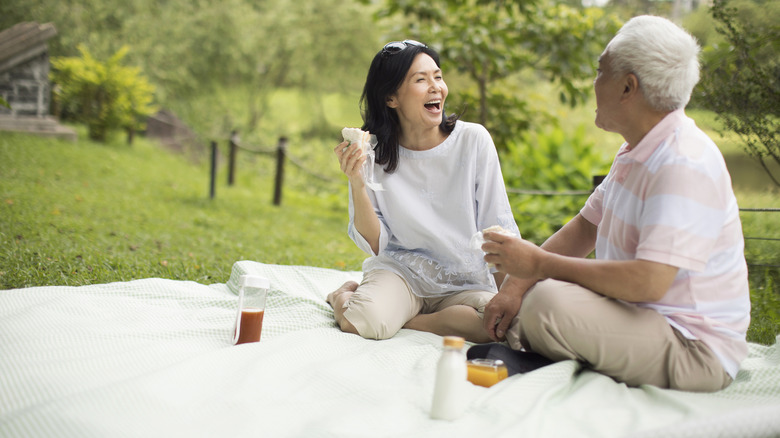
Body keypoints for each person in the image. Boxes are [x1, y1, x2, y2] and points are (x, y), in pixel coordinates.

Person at [480, 16, 750, 392]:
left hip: (694, 348)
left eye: (599, 71)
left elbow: (649, 283)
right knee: (528, 294)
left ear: (627, 87)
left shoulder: (682, 163)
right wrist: (514, 286)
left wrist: (538, 264)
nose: (593, 83)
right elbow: (586, 227)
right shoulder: (637, 149)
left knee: (545, 302)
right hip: (641, 319)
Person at [327, 40, 520, 343]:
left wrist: (511, 293)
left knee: (500, 324)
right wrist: (357, 183)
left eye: (438, 77)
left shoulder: (473, 140)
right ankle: (342, 295)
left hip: (463, 282)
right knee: (362, 321)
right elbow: (376, 243)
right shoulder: (372, 153)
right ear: (391, 97)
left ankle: (406, 320)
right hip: (401, 273)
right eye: (421, 80)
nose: (436, 88)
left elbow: (497, 225)